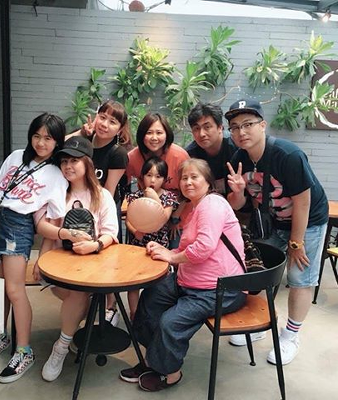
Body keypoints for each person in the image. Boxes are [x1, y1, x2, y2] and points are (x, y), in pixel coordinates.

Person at [119, 158, 246, 392]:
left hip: (220, 289)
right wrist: (164, 250)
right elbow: (187, 246)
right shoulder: (197, 207)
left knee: (170, 322)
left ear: (208, 181)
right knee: (152, 298)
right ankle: (153, 359)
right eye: (184, 178)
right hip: (189, 282)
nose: (188, 182)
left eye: (194, 177)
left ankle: (170, 373)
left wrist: (172, 257)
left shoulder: (212, 205)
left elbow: (204, 247)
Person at [225, 99, 328, 364]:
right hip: (274, 221)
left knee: (299, 276)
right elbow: (237, 204)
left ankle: (291, 335)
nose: (241, 132)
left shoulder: (287, 155)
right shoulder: (239, 159)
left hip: (308, 220)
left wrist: (296, 242)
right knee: (260, 271)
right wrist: (237, 191)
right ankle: (261, 324)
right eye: (235, 127)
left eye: (247, 124)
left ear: (263, 125)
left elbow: (303, 202)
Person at [0, 113, 69, 383]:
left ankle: (24, 351)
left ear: (57, 141)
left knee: (15, 291)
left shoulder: (56, 174)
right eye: (37, 136)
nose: (41, 143)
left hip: (19, 227)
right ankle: (2, 335)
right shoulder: (16, 156)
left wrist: (44, 256)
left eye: (48, 138)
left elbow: (54, 219)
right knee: (0, 286)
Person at [33, 135, 119, 382]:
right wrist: (41, 259)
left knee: (80, 294)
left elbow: (111, 233)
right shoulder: (57, 193)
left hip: (93, 266)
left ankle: (62, 345)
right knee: (79, 296)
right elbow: (46, 230)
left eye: (74, 161)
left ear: (87, 163)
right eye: (64, 161)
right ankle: (73, 336)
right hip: (60, 265)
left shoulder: (102, 195)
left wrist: (94, 245)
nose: (68, 166)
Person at [67, 100, 131, 326]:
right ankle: (86, 301)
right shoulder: (83, 142)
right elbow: (56, 146)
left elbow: (109, 192)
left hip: (103, 212)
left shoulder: (118, 153)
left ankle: (110, 307)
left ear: (120, 129)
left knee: (107, 262)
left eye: (112, 122)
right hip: (77, 211)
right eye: (102, 117)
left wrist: (97, 219)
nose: (104, 124)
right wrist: (81, 132)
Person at [126, 156, 178, 320]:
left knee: (158, 283)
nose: (153, 180)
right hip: (137, 245)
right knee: (133, 282)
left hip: (159, 245)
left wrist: (154, 198)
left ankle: (153, 316)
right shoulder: (134, 196)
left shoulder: (168, 197)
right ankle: (134, 315)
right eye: (149, 175)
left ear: (165, 179)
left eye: (158, 176)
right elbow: (128, 219)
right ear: (142, 176)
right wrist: (135, 231)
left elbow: (163, 218)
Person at [126, 113, 189, 247]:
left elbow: (188, 194)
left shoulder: (180, 156)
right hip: (145, 220)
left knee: (174, 251)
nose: (154, 138)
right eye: (149, 133)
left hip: (178, 217)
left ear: (167, 134)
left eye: (159, 132)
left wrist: (175, 219)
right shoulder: (132, 158)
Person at [186, 102, 237, 196]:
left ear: (220, 127)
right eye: (196, 128)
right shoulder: (191, 155)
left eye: (207, 127)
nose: (202, 134)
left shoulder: (236, 147)